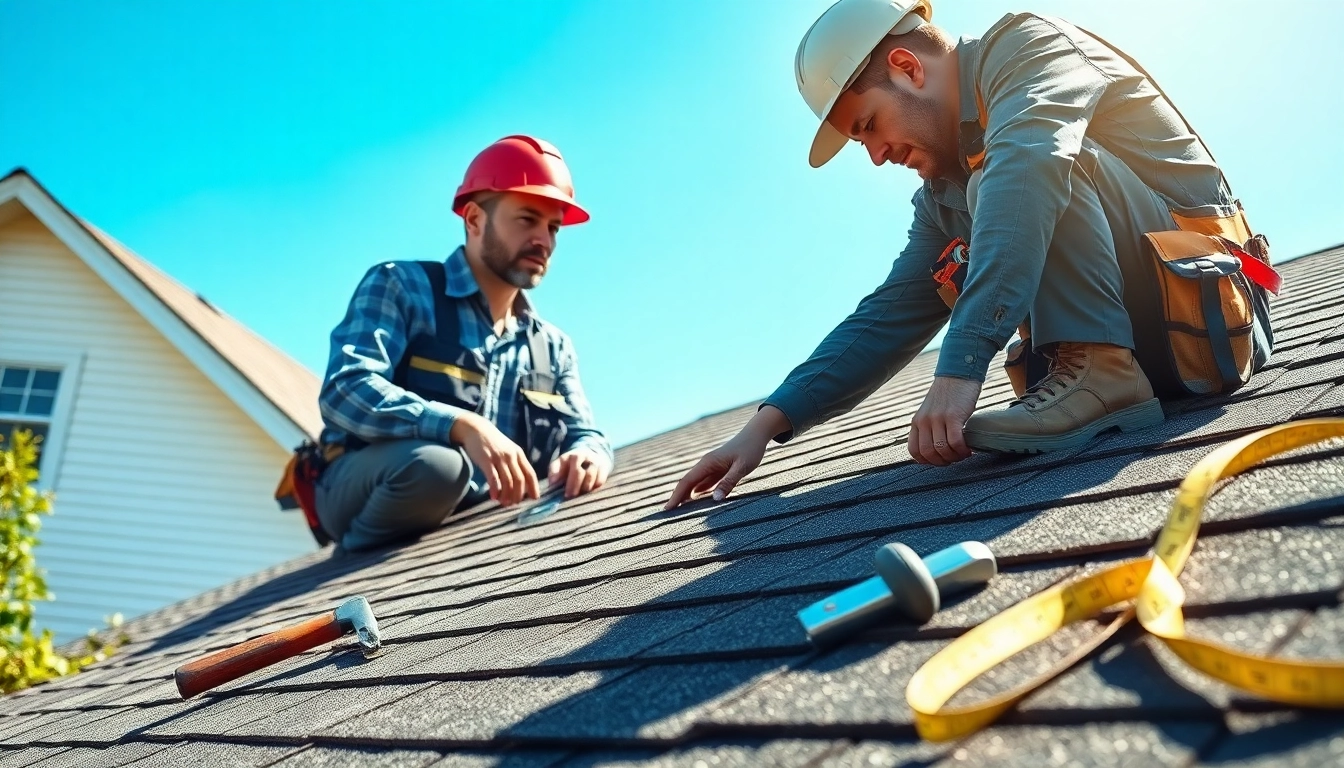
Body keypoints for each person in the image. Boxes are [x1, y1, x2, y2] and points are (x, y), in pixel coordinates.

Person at [666, 0, 1274, 509]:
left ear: (907, 67)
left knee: (1017, 170)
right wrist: (764, 426)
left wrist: (959, 371)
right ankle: (1093, 373)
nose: (875, 155)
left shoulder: (1030, 47)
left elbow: (1029, 167)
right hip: (1156, 353)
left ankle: (1100, 370)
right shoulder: (942, 195)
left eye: (869, 126)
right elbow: (889, 312)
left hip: (1210, 321)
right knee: (988, 190)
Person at [315, 135, 613, 551]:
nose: (544, 240)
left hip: (478, 518)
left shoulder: (553, 347)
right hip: (369, 484)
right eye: (527, 219)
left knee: (447, 470)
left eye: (553, 227)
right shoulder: (400, 286)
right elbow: (344, 389)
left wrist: (589, 455)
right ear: (474, 220)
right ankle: (354, 566)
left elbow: (587, 433)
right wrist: (462, 426)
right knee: (439, 466)